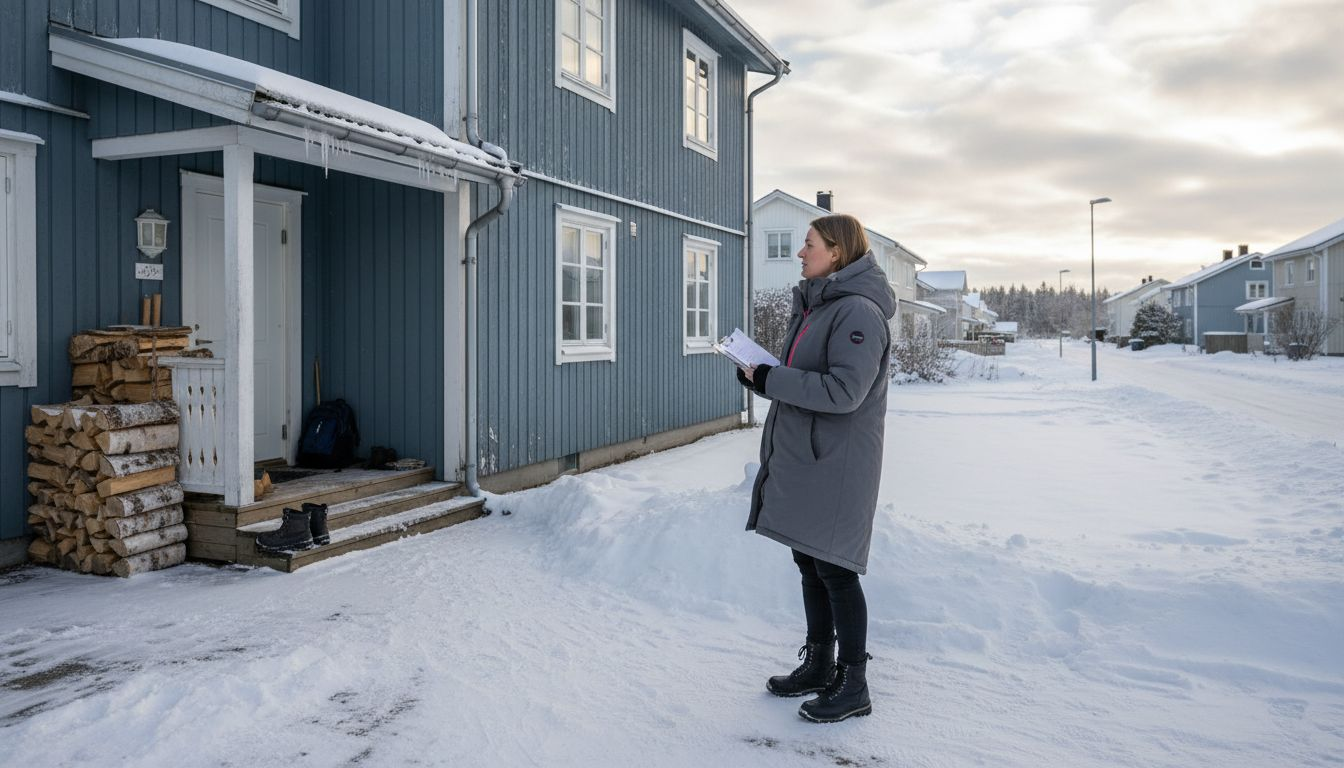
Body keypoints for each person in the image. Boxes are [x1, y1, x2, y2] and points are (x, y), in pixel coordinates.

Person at [738, 213, 896, 723]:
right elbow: (804, 375)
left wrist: (773, 379)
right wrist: (763, 376)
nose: (800, 253)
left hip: (838, 462)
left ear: (837, 251)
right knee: (809, 561)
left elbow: (844, 391)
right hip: (811, 457)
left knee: (836, 569)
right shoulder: (819, 305)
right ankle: (821, 664)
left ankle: (854, 683)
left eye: (809, 244)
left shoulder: (858, 311)